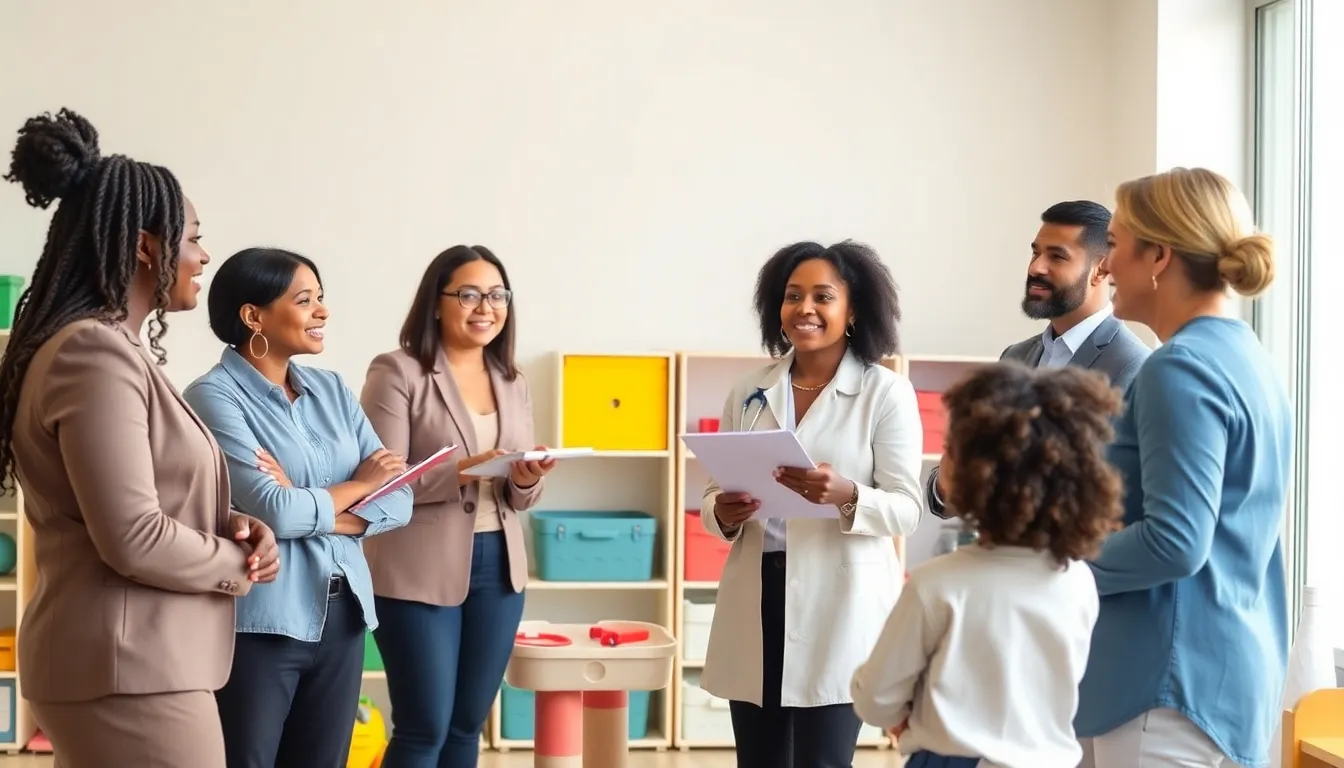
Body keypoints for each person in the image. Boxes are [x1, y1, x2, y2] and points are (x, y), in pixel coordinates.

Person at [0, 109, 278, 768]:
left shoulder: (107, 351)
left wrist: (235, 523)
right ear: (148, 247)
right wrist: (236, 565)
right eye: (194, 239)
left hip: (132, 665)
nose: (205, 255)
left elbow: (137, 503)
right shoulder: (92, 356)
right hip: (128, 670)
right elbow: (132, 535)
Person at [1078, 167, 1290, 768]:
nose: (1105, 266)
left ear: (1159, 257)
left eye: (1114, 245)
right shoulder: (1252, 360)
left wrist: (1058, 557)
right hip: (1220, 677)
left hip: (1164, 687)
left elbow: (1174, 542)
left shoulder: (1180, 367)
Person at [183, 247, 414, 768]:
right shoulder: (212, 398)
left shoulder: (332, 390)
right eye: (305, 300)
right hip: (261, 620)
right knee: (249, 760)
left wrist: (324, 503)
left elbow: (398, 499)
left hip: (343, 614)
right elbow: (274, 511)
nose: (323, 311)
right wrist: (358, 484)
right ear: (253, 316)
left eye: (321, 299)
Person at [699, 240, 923, 768]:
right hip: (759, 590)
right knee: (759, 758)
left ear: (853, 310)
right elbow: (715, 491)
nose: (805, 309)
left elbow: (908, 509)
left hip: (840, 600)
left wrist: (847, 495)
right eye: (792, 296)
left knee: (823, 760)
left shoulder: (884, 392)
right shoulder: (751, 388)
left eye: (823, 296)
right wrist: (722, 513)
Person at [851, 362, 1124, 768]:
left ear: (970, 474)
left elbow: (876, 699)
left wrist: (905, 715)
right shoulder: (1078, 580)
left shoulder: (937, 584)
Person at [360, 244, 555, 768]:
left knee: (467, 725)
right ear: (437, 302)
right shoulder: (398, 371)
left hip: (500, 565)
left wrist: (525, 476)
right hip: (418, 569)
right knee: (425, 727)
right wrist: (468, 467)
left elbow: (521, 496)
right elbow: (379, 485)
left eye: (496, 295)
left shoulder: (513, 380)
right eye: (469, 294)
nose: (484, 306)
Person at [924, 201, 1150, 520]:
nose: (1035, 268)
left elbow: (1128, 499)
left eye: (1056, 256)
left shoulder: (1135, 367)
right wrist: (947, 483)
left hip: (1080, 566)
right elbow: (959, 489)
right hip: (1002, 560)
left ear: (1102, 268)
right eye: (1035, 253)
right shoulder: (1014, 357)